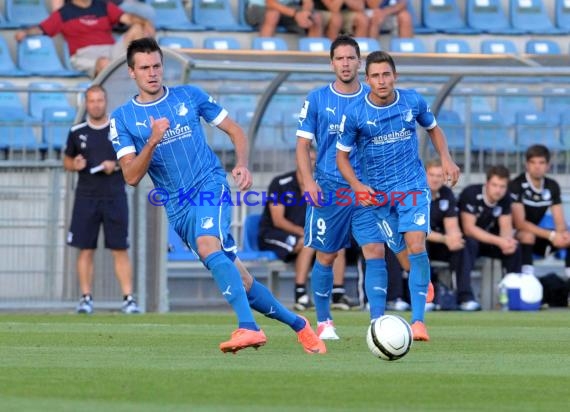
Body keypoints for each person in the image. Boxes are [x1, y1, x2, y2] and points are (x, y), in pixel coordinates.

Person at [110, 37, 325, 354]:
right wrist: (153, 140)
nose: (152, 72)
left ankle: (248, 327)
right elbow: (130, 175)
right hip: (178, 208)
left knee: (208, 244)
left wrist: (241, 164)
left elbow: (236, 131)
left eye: (156, 65)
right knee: (243, 282)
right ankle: (300, 326)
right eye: (144, 67)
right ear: (132, 72)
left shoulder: (189, 96)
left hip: (210, 186)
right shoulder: (123, 118)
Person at [336, 50, 460, 341]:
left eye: (386, 75)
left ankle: (418, 322)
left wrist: (446, 158)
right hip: (374, 194)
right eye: (376, 76)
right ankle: (380, 321)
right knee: (383, 249)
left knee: (416, 244)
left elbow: (433, 128)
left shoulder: (412, 100)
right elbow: (341, 157)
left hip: (412, 187)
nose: (382, 81)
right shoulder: (355, 113)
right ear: (367, 80)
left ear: (395, 76)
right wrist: (356, 186)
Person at [296, 35, 386, 341]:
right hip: (330, 188)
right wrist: (308, 181)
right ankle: (324, 322)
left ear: (360, 63)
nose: (346, 64)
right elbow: (302, 144)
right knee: (326, 255)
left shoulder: (374, 98)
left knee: (375, 249)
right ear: (332, 63)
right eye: (340, 58)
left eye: (351, 58)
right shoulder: (317, 99)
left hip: (366, 189)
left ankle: (377, 321)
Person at [63, 85, 140, 315]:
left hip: (114, 195)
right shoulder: (77, 131)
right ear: (86, 103)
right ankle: (86, 298)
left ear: (106, 102)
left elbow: (131, 159)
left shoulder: (118, 129)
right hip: (86, 198)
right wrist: (74, 164)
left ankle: (128, 299)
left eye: (100, 100)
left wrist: (114, 165)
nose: (96, 104)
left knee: (120, 248)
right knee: (85, 249)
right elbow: (66, 161)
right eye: (92, 100)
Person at [257, 158, 356, 311]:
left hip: (306, 234)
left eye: (314, 160)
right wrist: (306, 232)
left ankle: (337, 294)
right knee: (307, 242)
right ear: (299, 160)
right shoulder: (281, 183)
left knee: (336, 243)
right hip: (274, 234)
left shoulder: (322, 184)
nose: (310, 162)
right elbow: (278, 220)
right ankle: (300, 294)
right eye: (307, 159)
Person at [16, 0, 155, 78]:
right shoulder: (64, 13)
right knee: (104, 63)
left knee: (137, 28)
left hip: (112, 49)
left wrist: (145, 22)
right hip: (84, 54)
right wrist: (25, 32)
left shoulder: (103, 5)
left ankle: (142, 73)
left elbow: (128, 18)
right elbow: (42, 28)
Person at [457, 165, 522, 311]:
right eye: (494, 185)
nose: (498, 190)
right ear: (487, 184)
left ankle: (512, 297)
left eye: (502, 186)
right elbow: (469, 229)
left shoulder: (505, 198)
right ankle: (465, 298)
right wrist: (500, 241)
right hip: (465, 241)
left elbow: (506, 227)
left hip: (488, 242)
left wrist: (507, 242)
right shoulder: (471, 193)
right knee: (469, 244)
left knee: (514, 248)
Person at [510, 144, 570, 277]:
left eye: (541, 163)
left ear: (548, 166)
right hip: (514, 235)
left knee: (568, 236)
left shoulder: (552, 185)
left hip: (539, 235)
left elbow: (559, 221)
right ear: (527, 165)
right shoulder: (516, 185)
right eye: (533, 162)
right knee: (527, 235)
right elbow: (520, 223)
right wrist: (552, 236)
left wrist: (562, 235)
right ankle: (527, 278)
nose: (537, 167)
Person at [245, 0, 323, 38]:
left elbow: (308, 2)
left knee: (315, 17)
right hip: (259, 7)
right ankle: (264, 59)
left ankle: (310, 65)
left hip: (287, 8)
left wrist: (305, 13)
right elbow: (270, 3)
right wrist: (295, 14)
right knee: (273, 14)